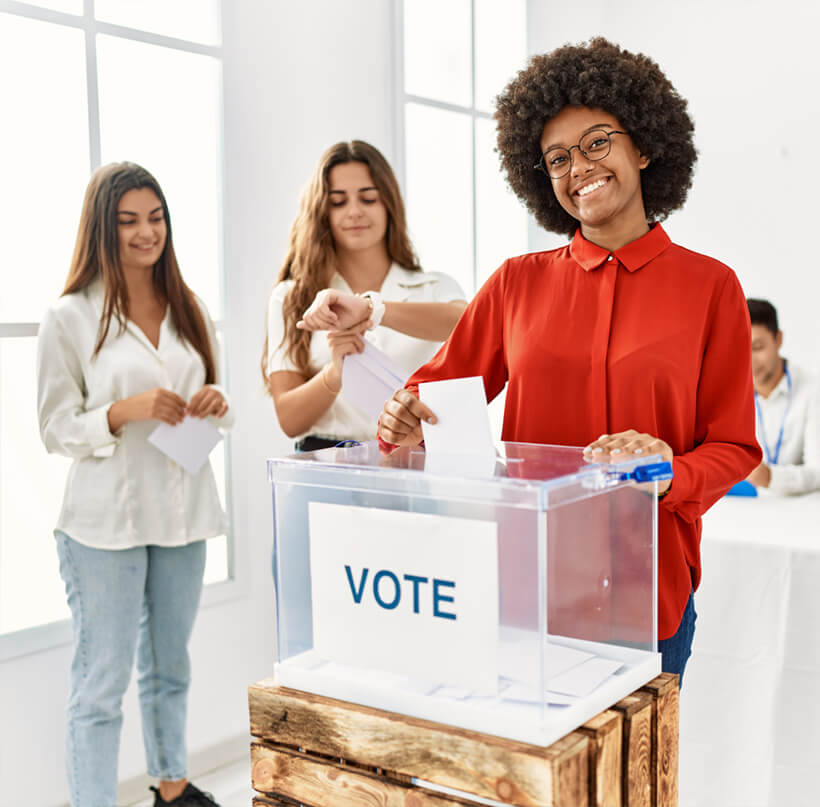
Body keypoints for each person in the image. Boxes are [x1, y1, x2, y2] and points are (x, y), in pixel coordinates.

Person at [377, 38, 761, 682]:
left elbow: (733, 446)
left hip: (650, 595)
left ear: (642, 145)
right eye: (557, 158)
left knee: (635, 784)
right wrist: (403, 418)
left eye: (596, 143)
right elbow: (431, 399)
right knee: (531, 784)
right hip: (527, 594)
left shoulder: (711, 287)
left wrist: (669, 472)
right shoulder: (514, 284)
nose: (578, 167)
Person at [36, 162, 231, 807]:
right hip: (103, 527)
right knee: (100, 684)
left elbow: (223, 408)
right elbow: (55, 428)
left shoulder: (188, 306)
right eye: (128, 221)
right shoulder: (69, 316)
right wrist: (125, 410)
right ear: (102, 229)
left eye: (156, 218)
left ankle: (171, 788)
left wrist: (209, 402)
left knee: (169, 668)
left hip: (182, 515)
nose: (146, 233)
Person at [262, 140, 467, 450]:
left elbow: (468, 323)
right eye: (338, 202)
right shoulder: (291, 296)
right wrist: (335, 373)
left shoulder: (435, 287)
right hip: (326, 472)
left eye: (368, 198)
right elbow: (290, 421)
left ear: (389, 204)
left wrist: (373, 309)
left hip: (416, 464)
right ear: (322, 211)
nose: (355, 212)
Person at [746, 298, 820, 494]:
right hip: (742, 513)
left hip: (796, 513)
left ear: (778, 339)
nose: (750, 360)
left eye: (758, 347)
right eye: (740, 349)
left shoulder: (812, 391)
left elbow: (817, 472)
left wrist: (770, 477)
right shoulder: (726, 394)